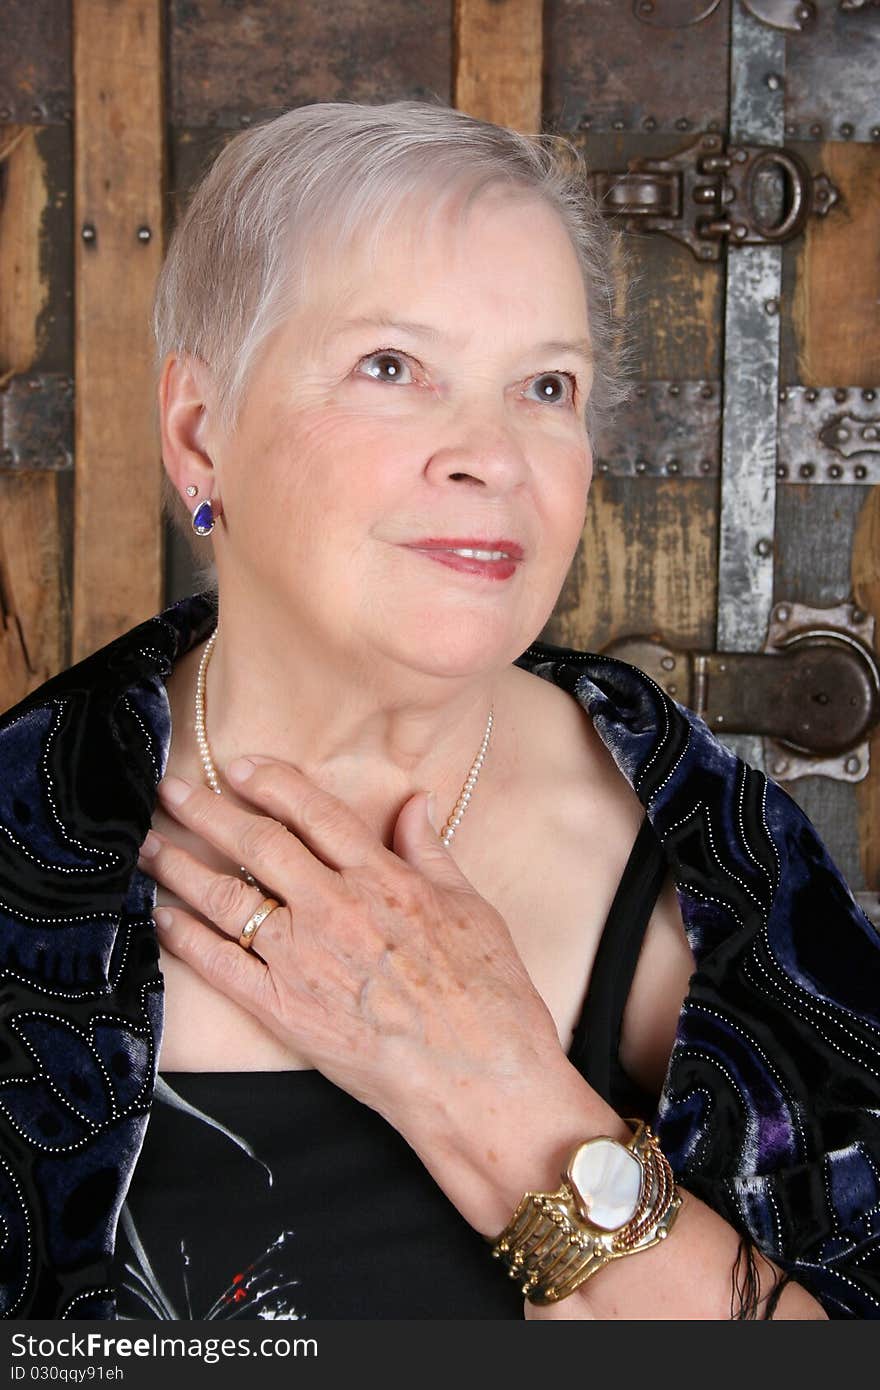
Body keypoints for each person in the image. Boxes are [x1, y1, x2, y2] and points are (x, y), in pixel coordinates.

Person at [1, 100, 878, 1323]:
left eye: (545, 384)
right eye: (391, 366)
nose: (493, 453)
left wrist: (504, 1099)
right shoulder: (20, 844)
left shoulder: (703, 856)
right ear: (200, 433)